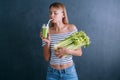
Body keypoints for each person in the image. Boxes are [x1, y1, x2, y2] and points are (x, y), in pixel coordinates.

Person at [40, 2, 82, 80]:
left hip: (69, 72)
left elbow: (79, 52)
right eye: (50, 13)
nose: (51, 15)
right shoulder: (47, 32)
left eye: (55, 13)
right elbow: (46, 58)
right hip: (52, 73)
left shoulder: (71, 29)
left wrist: (67, 51)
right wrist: (47, 42)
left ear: (63, 14)